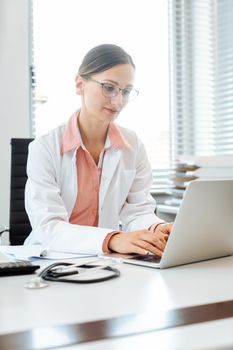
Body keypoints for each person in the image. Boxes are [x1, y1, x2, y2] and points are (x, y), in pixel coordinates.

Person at [24, 44, 172, 255]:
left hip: (106, 261)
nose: (118, 101)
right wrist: (113, 239)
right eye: (109, 87)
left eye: (126, 91)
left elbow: (137, 211)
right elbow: (49, 227)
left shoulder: (133, 146)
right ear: (79, 84)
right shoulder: (44, 148)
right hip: (49, 260)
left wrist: (157, 228)